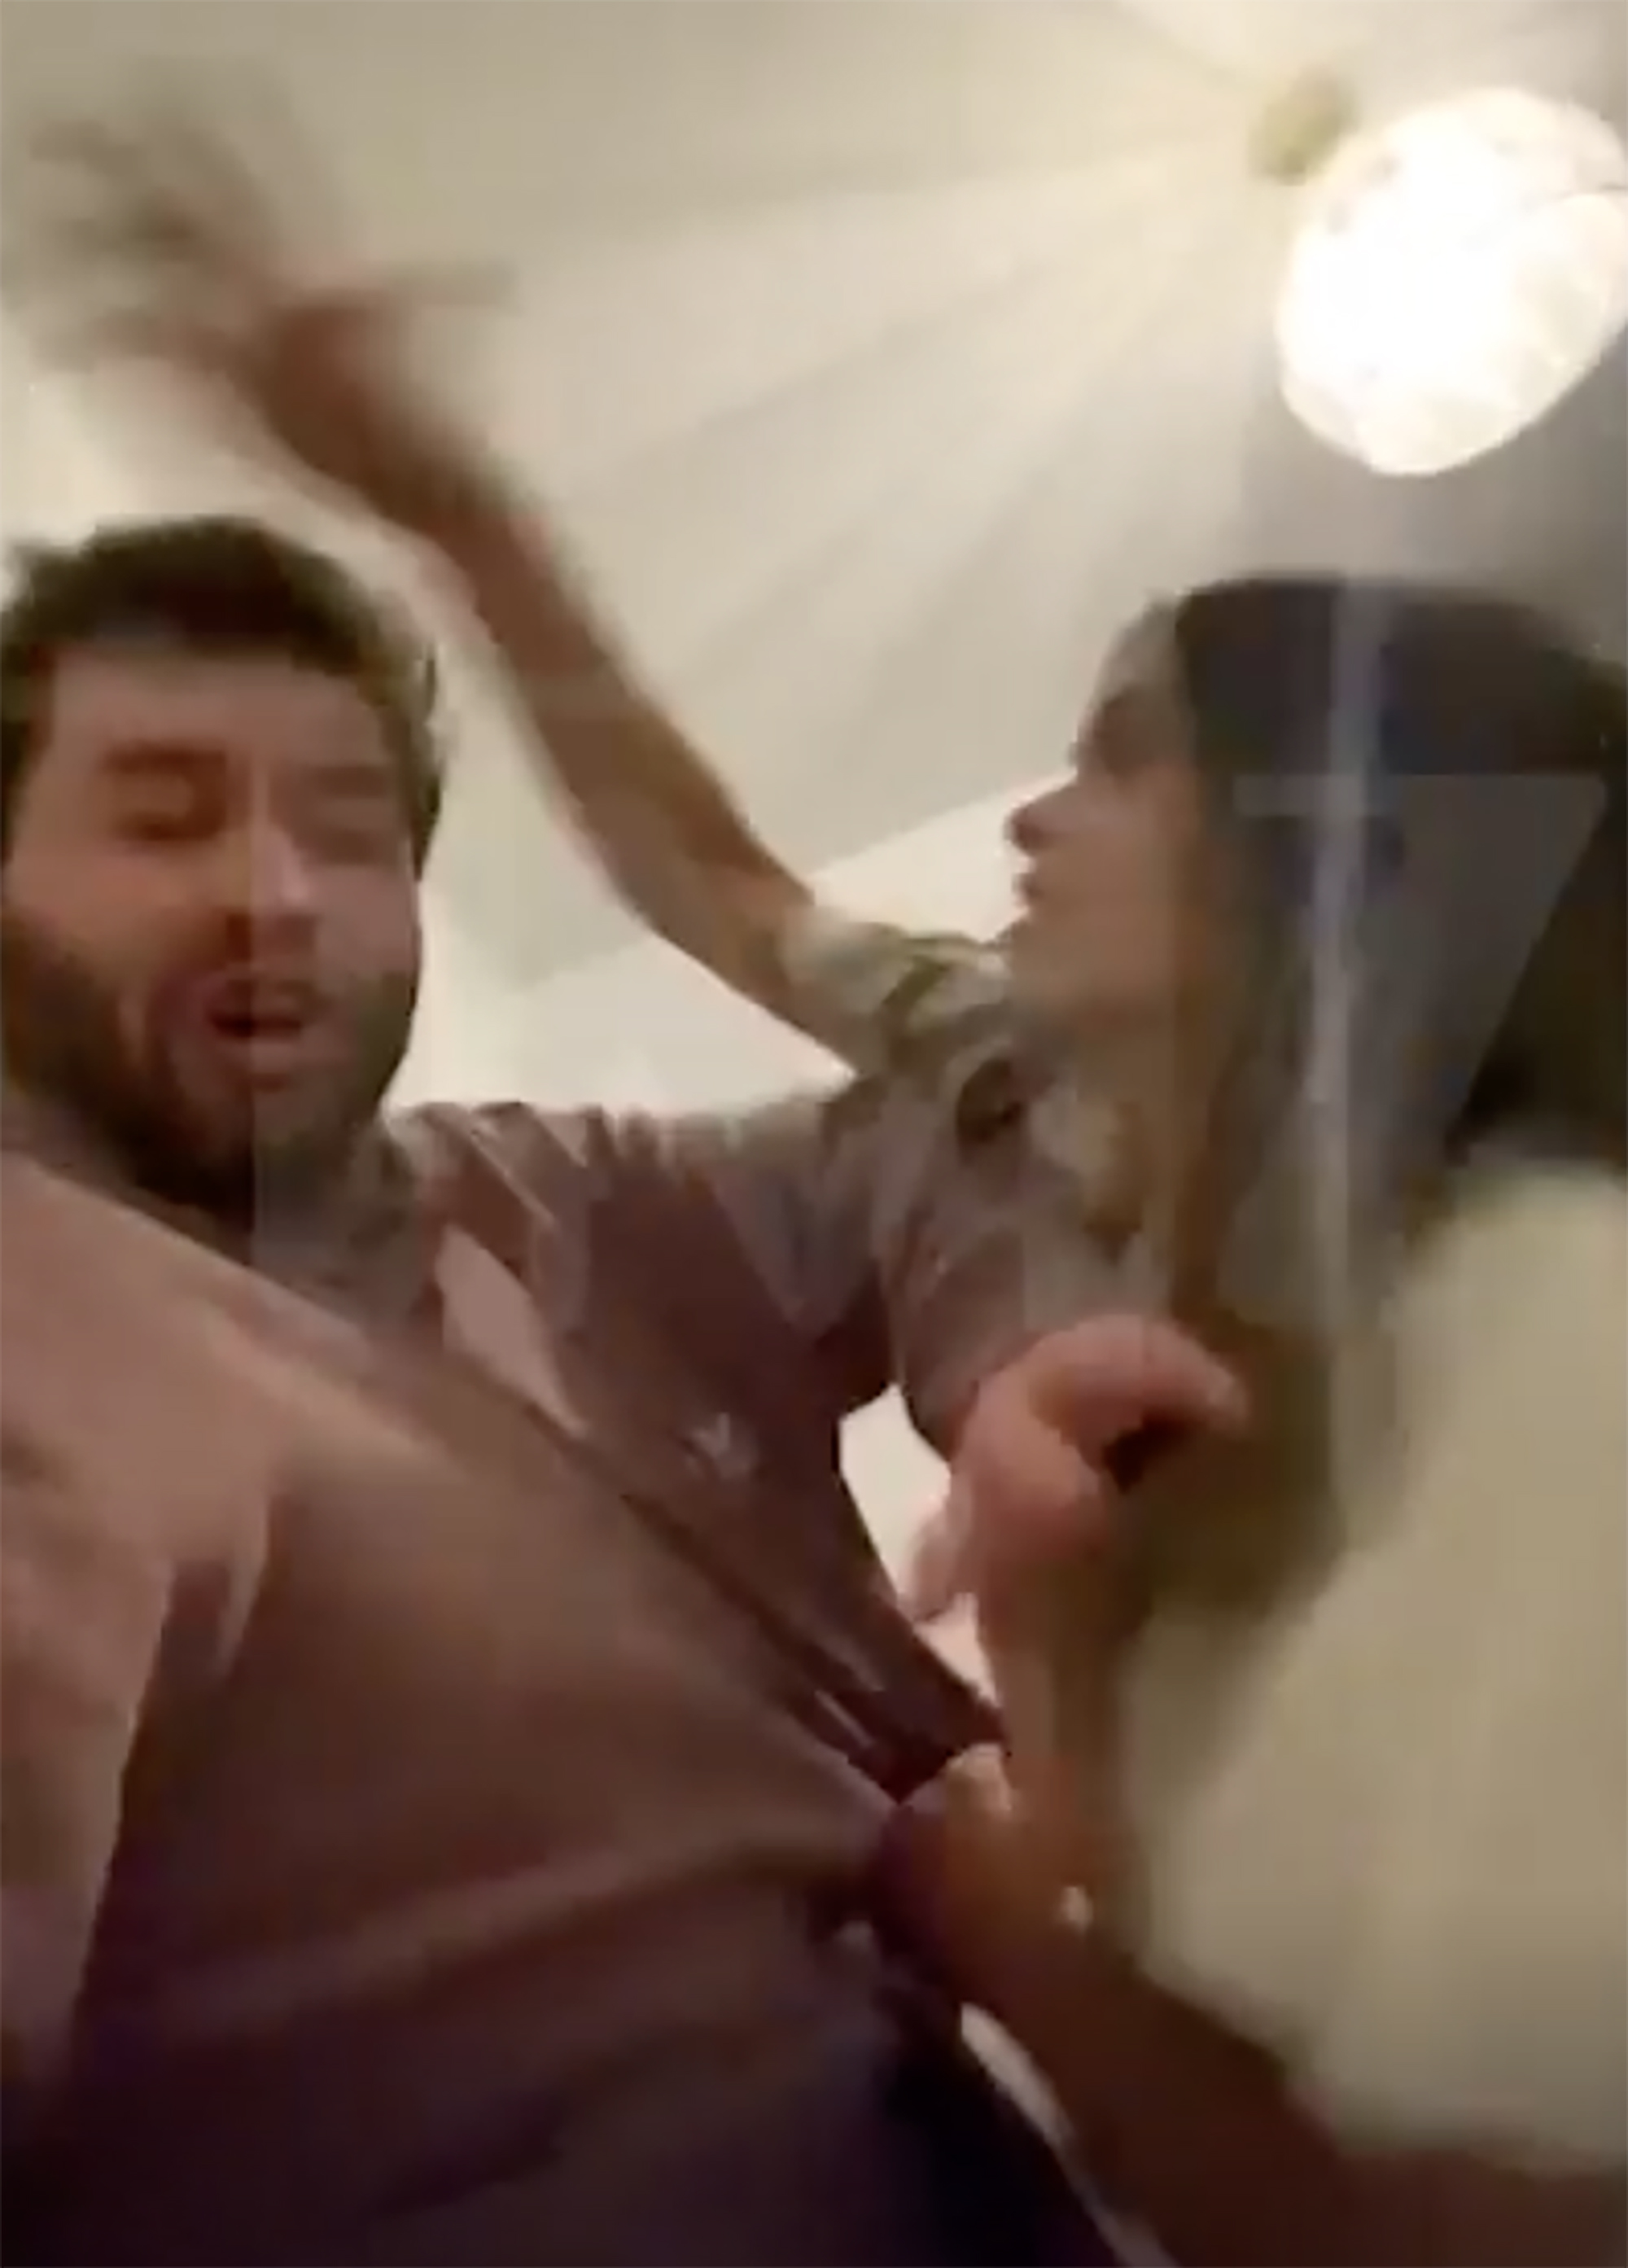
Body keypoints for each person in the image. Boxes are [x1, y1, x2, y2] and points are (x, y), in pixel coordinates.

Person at [1, 95, 1256, 2268]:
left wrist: (1050, 1390)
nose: (280, 891)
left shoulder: (585, 1201)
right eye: (165, 812)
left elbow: (876, 1038)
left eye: (353, 830)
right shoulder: (43, 1312)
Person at [877, 577, 1628, 2261]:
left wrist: (1002, 1938)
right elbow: (1228, 1989)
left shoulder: (1574, 1305)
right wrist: (1049, 1632)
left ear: (1341, 842)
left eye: (1128, 752)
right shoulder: (1287, 1374)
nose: (1032, 819)